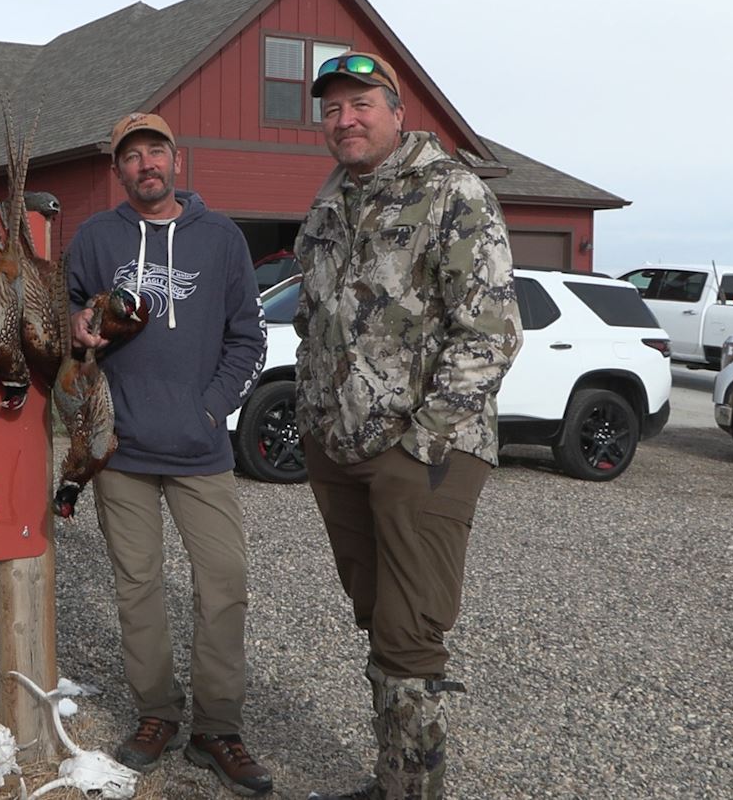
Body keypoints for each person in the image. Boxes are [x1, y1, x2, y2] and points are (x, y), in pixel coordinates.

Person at [292, 52, 521, 798]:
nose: (344, 119)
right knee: (376, 615)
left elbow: (489, 333)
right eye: (331, 109)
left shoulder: (453, 193)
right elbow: (314, 323)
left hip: (426, 450)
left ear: (397, 112)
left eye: (361, 104)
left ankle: (416, 791)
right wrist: (314, 421)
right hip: (339, 446)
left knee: (410, 632)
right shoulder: (331, 206)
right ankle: (393, 777)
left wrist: (420, 443)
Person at [66, 112, 271, 796]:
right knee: (138, 588)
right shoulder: (96, 237)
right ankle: (156, 713)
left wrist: (210, 407)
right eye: (132, 156)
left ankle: (218, 726)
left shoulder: (221, 239)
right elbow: (66, 323)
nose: (145, 163)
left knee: (223, 584)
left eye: (156, 151)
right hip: (121, 448)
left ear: (175, 159)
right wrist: (76, 328)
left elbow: (248, 336)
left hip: (201, 448)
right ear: (118, 169)